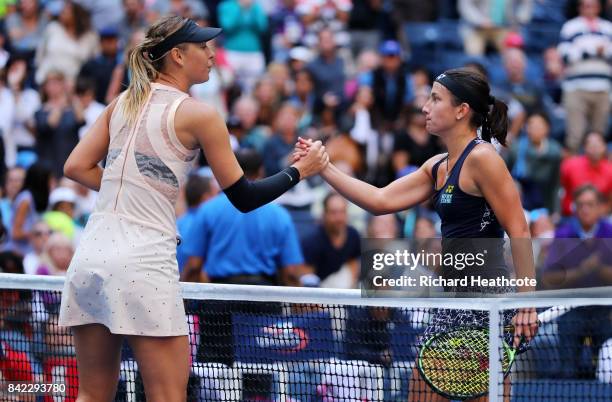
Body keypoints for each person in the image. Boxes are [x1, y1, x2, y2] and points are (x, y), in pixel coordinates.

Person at [57, 16, 327, 402]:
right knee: (168, 397)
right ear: (178, 56)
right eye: (203, 46)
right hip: (142, 262)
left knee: (91, 396)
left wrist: (134, 190)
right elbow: (244, 197)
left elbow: (75, 166)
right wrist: (301, 170)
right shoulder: (199, 114)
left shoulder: (121, 103)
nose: (212, 52)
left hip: (90, 257)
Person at [295, 67, 538, 401]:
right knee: (419, 393)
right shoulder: (437, 166)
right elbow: (380, 201)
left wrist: (527, 303)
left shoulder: (483, 159)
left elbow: (519, 228)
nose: (425, 106)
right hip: (451, 298)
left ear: (461, 110)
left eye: (435, 99)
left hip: (488, 301)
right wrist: (325, 167)